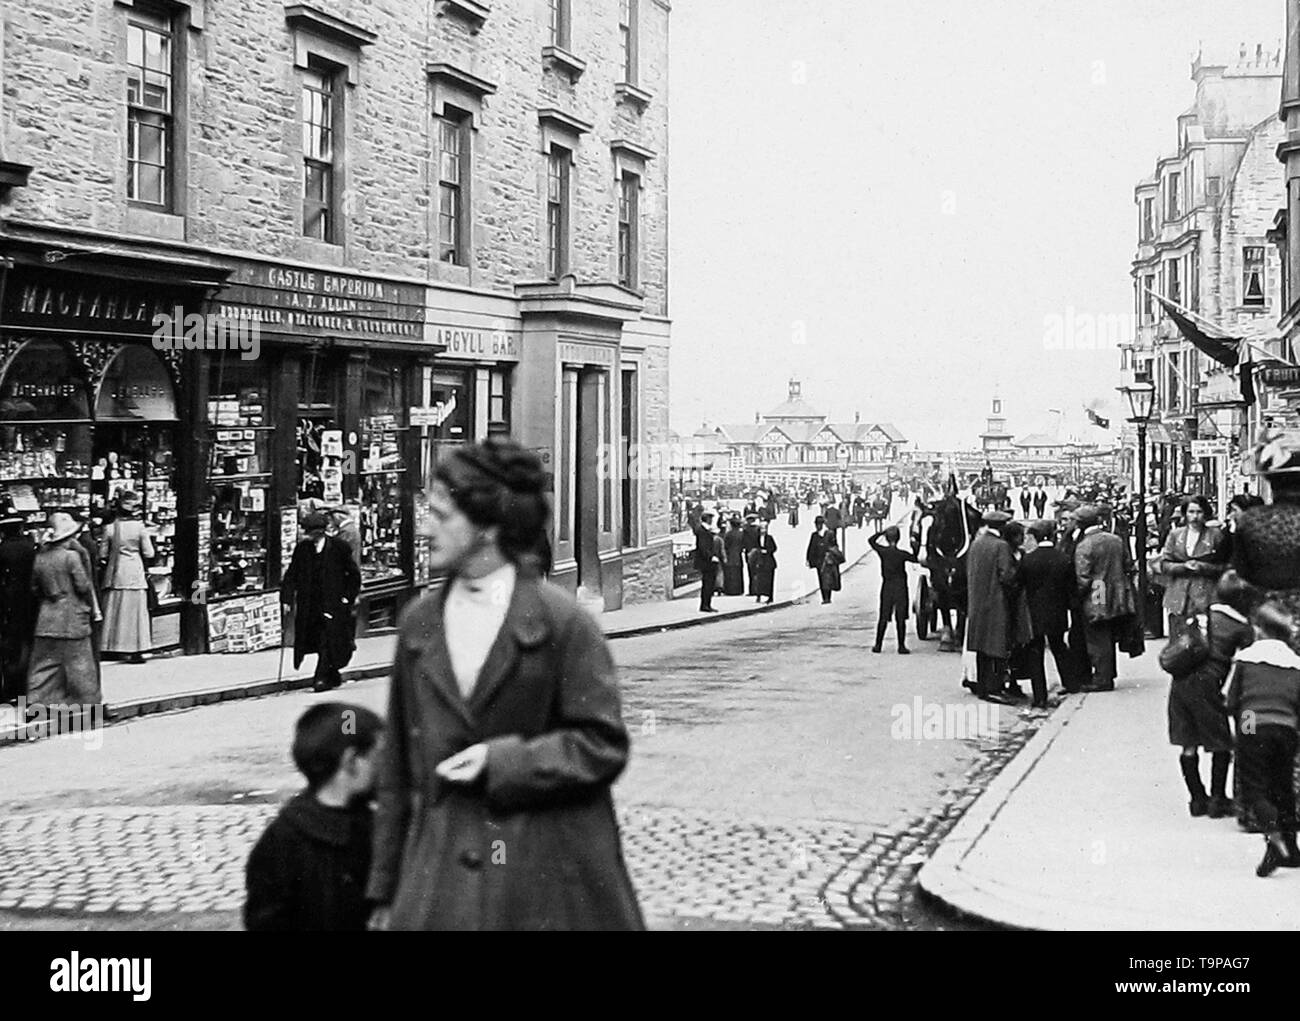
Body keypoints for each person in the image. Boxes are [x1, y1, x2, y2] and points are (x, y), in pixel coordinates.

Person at [366, 438, 644, 930]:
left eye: (441, 515)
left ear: (488, 525)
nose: (425, 528)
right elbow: (396, 770)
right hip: (440, 881)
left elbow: (602, 744)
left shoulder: (562, 623)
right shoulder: (419, 622)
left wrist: (505, 761)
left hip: (544, 878)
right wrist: (385, 894)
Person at [244, 702, 384, 931]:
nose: (385, 769)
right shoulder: (284, 841)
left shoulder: (373, 826)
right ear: (351, 762)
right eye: (378, 757)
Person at [1168, 571, 1255, 820]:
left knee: (1188, 742)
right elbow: (1246, 662)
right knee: (1220, 741)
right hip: (1208, 684)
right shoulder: (1241, 627)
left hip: (1180, 679)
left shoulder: (1198, 615)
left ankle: (1197, 798)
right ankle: (1218, 799)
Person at [1224, 608, 1300, 877]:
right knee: (1283, 787)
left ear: (1260, 630)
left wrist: (1243, 733)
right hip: (1286, 727)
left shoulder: (1246, 660)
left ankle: (1275, 839)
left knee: (1254, 786)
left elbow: (1233, 701)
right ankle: (1292, 848)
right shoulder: (1295, 663)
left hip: (1252, 720)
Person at [282, 511, 361, 692]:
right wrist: (286, 598)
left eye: (315, 535)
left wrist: (347, 597)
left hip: (333, 603)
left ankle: (320, 678)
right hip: (310, 604)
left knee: (328, 638)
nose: (312, 538)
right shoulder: (302, 549)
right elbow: (292, 574)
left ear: (322, 532)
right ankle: (332, 675)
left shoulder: (339, 547)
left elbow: (353, 575)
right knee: (317, 639)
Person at [27, 513, 100, 709]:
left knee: (43, 665)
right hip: (72, 617)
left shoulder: (40, 558)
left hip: (47, 618)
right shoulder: (72, 557)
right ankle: (87, 705)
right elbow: (83, 586)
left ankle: (37, 703)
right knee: (81, 665)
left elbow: (34, 588)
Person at [1073, 504, 1136, 692]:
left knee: (1097, 636)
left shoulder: (1085, 545)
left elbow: (1083, 577)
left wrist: (1077, 598)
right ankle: (1108, 673)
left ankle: (1102, 678)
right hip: (1117, 591)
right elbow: (1128, 564)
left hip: (1096, 593)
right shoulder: (1115, 539)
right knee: (1108, 634)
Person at [1020, 520, 1082, 703]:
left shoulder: (1028, 560)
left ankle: (1040, 696)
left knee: (1035, 653)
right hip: (1057, 611)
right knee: (1059, 647)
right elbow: (1072, 588)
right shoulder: (1063, 559)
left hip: (1034, 613)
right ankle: (1070, 683)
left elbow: (1019, 583)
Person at [1153, 495, 1224, 638]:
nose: (1195, 516)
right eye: (1191, 512)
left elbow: (1223, 566)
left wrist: (1202, 567)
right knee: (1178, 640)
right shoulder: (1175, 535)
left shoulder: (1215, 535)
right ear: (1185, 513)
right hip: (1178, 595)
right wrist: (1182, 567)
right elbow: (1165, 563)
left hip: (1204, 593)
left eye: (1199, 512)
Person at [965, 510, 1016, 704]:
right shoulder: (1001, 546)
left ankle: (983, 687)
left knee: (981, 646)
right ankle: (995, 688)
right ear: (1001, 527)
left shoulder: (976, 544)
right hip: (996, 602)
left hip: (978, 603)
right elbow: (1007, 575)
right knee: (996, 645)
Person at [98, 491, 155, 664]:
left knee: (114, 611)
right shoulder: (140, 528)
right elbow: (149, 552)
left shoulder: (110, 529)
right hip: (135, 573)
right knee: (135, 613)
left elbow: (102, 553)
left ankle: (111, 647)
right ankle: (136, 647)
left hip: (116, 573)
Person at [0, 503, 37, 705]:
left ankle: (10, 689)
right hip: (29, 602)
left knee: (11, 649)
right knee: (26, 646)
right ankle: (24, 689)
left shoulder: (3, 550)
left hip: (8, 604)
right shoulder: (30, 548)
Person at [869, 525, 916, 654]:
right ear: (898, 538)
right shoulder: (902, 554)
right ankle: (901, 646)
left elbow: (871, 541)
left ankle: (878, 645)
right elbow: (916, 558)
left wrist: (881, 533)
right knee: (900, 618)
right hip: (900, 587)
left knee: (883, 617)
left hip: (887, 586)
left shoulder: (883, 552)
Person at [806, 516, 842, 605]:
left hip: (827, 560)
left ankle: (827, 598)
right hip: (818, 560)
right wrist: (808, 559)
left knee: (827, 579)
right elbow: (811, 547)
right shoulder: (814, 535)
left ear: (823, 524)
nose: (818, 526)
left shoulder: (829, 533)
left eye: (819, 524)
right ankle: (824, 597)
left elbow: (835, 545)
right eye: (817, 524)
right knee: (821, 579)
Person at [693, 512, 723, 613]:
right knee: (708, 583)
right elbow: (703, 547)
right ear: (708, 519)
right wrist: (711, 557)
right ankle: (706, 605)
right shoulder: (702, 531)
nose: (712, 521)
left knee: (709, 583)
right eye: (711, 519)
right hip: (706, 562)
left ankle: (706, 604)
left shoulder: (704, 530)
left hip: (706, 561)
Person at [748, 519, 777, 604]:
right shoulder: (757, 538)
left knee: (769, 579)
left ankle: (770, 597)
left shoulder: (770, 538)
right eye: (761, 529)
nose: (763, 530)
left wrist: (767, 551)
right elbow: (754, 547)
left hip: (768, 561)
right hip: (760, 561)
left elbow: (774, 548)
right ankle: (759, 595)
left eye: (765, 528)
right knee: (760, 579)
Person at [721, 516, 745, 597]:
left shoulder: (728, 534)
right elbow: (743, 544)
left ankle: (730, 590)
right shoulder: (741, 534)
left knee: (730, 573)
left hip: (730, 555)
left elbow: (725, 545)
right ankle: (739, 590)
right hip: (738, 555)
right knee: (738, 573)